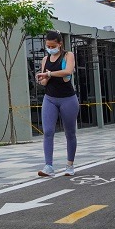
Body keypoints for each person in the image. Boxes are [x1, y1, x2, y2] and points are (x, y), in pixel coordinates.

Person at [34, 30, 79, 177]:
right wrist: (41, 78)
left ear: (60, 44)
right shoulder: (45, 60)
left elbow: (68, 71)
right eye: (47, 45)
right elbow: (44, 81)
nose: (50, 48)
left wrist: (48, 74)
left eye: (53, 45)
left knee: (70, 133)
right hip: (50, 98)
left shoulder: (68, 55)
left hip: (68, 99)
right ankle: (48, 165)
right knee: (47, 131)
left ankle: (70, 165)